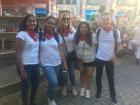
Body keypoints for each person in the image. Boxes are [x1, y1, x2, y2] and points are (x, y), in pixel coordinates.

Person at [39, 16, 67, 105]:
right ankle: (51, 98)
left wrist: (65, 62)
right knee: (54, 82)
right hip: (46, 63)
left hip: (57, 63)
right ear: (45, 23)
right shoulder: (39, 35)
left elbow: (61, 50)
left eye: (53, 23)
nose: (50, 25)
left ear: (55, 25)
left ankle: (49, 94)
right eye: (49, 23)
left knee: (53, 82)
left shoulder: (57, 36)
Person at [95, 13, 121, 104]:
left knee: (111, 78)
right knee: (98, 76)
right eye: (104, 19)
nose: (106, 21)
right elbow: (95, 43)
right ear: (101, 21)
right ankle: (98, 92)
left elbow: (118, 44)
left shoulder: (115, 32)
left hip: (110, 59)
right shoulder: (98, 31)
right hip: (99, 58)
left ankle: (113, 96)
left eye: (107, 19)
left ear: (110, 20)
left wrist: (115, 54)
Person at [16, 14, 40, 105]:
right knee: (26, 87)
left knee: (35, 85)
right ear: (26, 22)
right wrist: (21, 70)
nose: (32, 23)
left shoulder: (36, 34)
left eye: (34, 21)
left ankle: (32, 101)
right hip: (25, 65)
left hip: (35, 64)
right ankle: (25, 102)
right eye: (30, 21)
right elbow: (18, 53)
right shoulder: (22, 34)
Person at [57, 13, 77, 96]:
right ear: (61, 20)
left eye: (68, 19)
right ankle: (64, 87)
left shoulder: (72, 30)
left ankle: (73, 86)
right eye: (64, 18)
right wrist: (64, 60)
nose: (66, 20)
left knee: (72, 72)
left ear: (70, 20)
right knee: (64, 73)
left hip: (71, 55)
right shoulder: (57, 31)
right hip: (62, 56)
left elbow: (76, 42)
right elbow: (60, 47)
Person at [74, 21, 96, 98]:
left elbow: (98, 45)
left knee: (89, 75)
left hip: (91, 60)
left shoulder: (93, 36)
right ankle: (82, 88)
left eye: (85, 27)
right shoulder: (76, 36)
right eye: (81, 27)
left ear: (88, 28)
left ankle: (88, 89)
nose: (83, 29)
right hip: (80, 60)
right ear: (79, 28)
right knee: (82, 74)